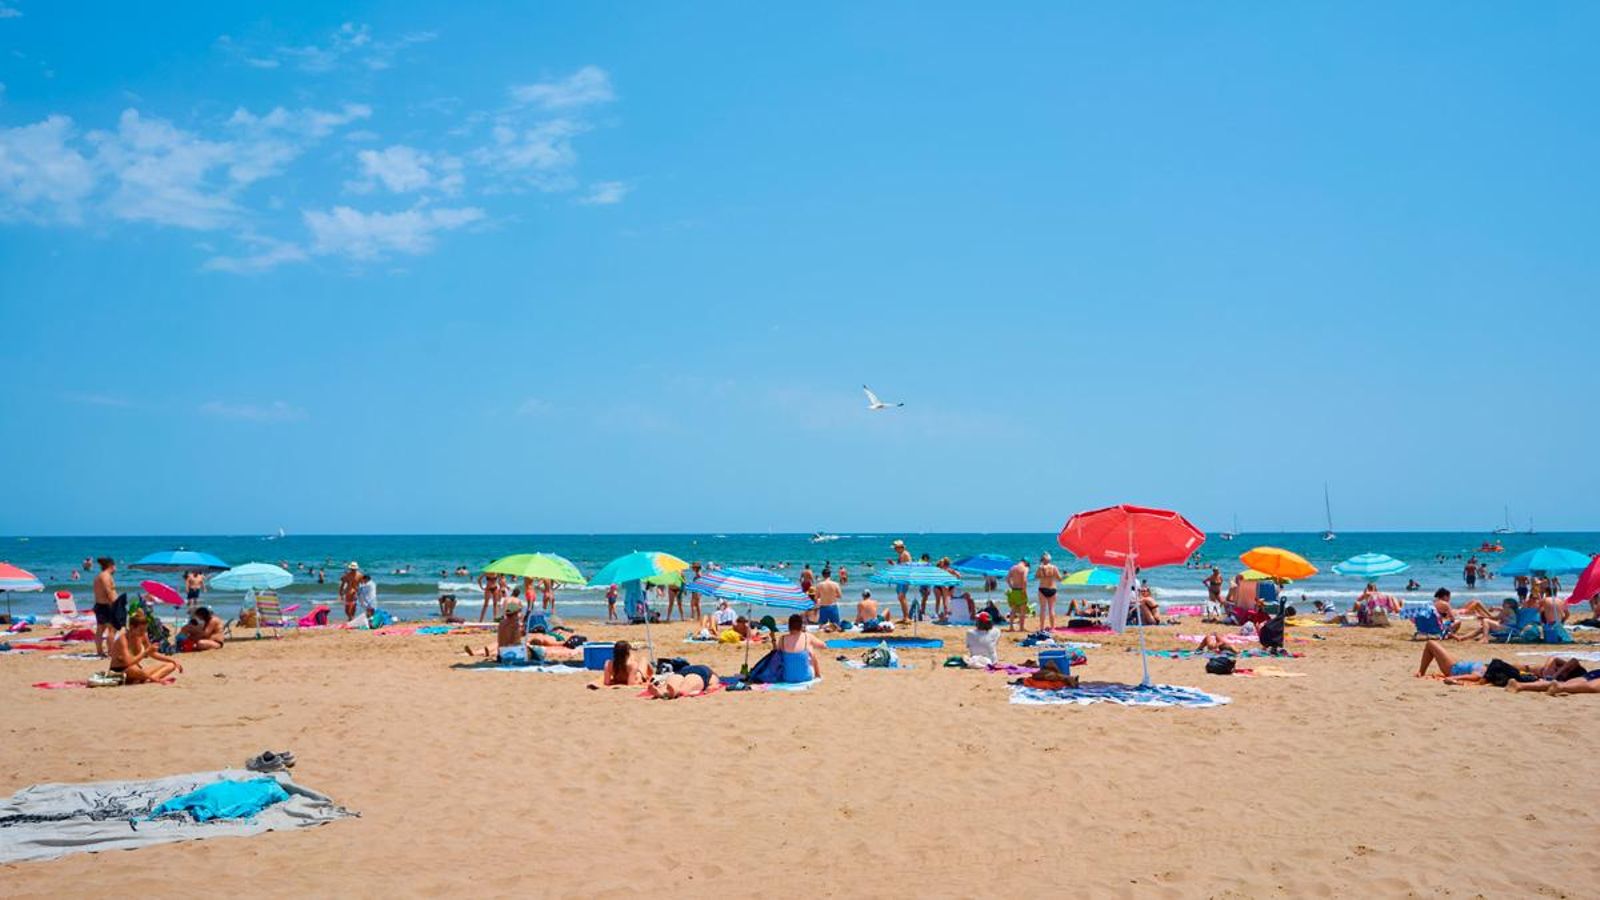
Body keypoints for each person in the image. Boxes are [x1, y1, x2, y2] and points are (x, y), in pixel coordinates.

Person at [110, 609, 180, 684]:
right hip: (120, 670)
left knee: (171, 665)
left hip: (137, 670)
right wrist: (146, 652)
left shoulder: (143, 635)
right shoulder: (123, 639)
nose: (143, 632)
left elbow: (152, 654)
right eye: (141, 630)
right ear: (131, 627)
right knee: (133, 669)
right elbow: (128, 662)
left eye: (145, 630)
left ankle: (149, 679)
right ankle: (154, 679)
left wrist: (172, 660)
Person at [777, 613, 824, 680]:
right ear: (801, 626)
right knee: (810, 650)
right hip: (805, 676)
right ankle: (818, 674)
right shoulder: (806, 636)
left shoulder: (782, 639)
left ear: (789, 626)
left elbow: (777, 654)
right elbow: (823, 645)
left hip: (787, 677)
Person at [91, 556, 120, 658]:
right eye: (115, 566)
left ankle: (100, 652)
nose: (116, 568)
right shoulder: (106, 576)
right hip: (107, 606)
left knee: (100, 629)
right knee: (112, 630)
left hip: (100, 605)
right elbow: (109, 592)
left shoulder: (99, 576)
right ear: (111, 566)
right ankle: (111, 652)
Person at [645, 662, 718, 698]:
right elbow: (713, 683)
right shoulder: (711, 673)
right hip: (700, 674)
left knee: (674, 680)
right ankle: (676, 691)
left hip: (681, 672)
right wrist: (709, 688)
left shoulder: (709, 671)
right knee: (688, 684)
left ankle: (662, 691)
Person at [1036, 553, 1062, 631]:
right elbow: (1059, 579)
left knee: (1043, 609)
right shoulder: (1054, 567)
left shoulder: (1040, 568)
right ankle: (1052, 628)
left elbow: (1037, 576)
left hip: (1042, 588)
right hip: (1052, 589)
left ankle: (1041, 628)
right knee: (1051, 609)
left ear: (1043, 560)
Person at [1005, 558, 1031, 632]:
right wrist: (1024, 590)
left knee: (1013, 610)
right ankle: (1021, 628)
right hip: (1020, 590)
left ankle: (1011, 628)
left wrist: (1011, 586)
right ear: (1026, 563)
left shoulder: (1013, 568)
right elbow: (1024, 579)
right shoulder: (1025, 568)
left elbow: (1007, 579)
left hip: (1013, 591)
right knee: (1022, 611)